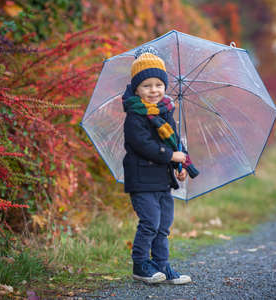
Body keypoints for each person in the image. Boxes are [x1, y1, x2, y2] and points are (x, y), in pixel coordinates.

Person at [122, 46, 199, 284]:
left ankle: (162, 266)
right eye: (147, 85)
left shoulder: (166, 112)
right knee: (150, 223)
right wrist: (171, 157)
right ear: (137, 88)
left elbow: (175, 142)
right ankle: (141, 265)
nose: (153, 90)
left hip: (163, 180)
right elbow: (144, 145)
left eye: (158, 84)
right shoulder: (134, 116)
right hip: (141, 179)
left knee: (163, 226)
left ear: (165, 87)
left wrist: (182, 165)